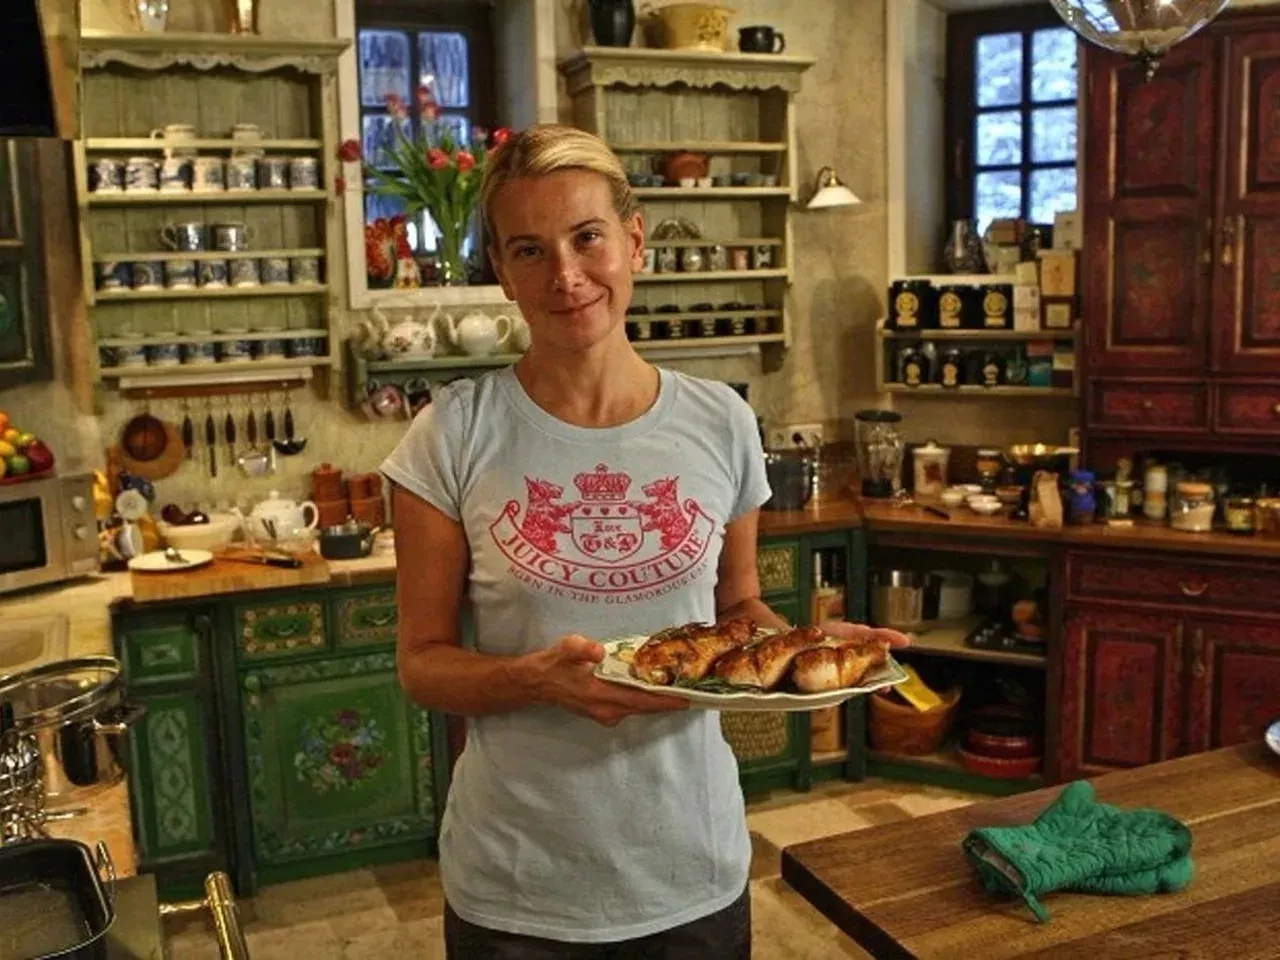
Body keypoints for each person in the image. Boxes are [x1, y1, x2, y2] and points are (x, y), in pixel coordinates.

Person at [380, 124, 909, 958]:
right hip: (518, 883)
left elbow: (737, 608)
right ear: (503, 273)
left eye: (587, 237)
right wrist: (533, 680)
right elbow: (423, 664)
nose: (565, 275)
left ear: (634, 241)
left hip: (688, 868)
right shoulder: (451, 435)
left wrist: (806, 648)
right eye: (529, 250)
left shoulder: (721, 420)